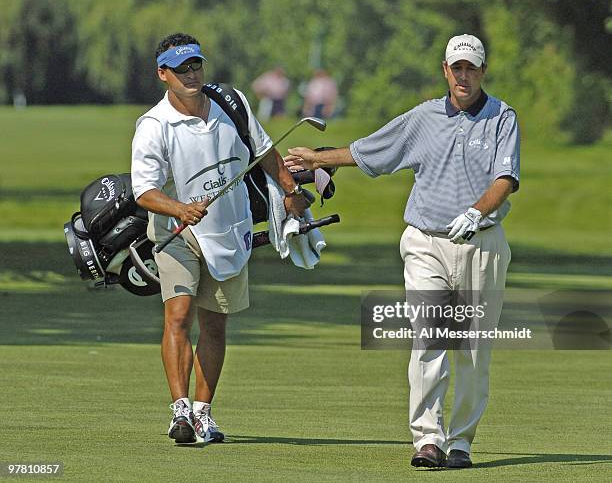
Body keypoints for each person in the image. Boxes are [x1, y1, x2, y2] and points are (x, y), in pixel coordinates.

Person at [285, 34, 519, 469]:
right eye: (457, 68)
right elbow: (373, 149)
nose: (463, 75)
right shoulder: (424, 116)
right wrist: (320, 160)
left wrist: (476, 211)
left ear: (482, 71)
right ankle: (428, 439)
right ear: (445, 71)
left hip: (481, 245)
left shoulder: (502, 117)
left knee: (471, 349)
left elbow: (505, 178)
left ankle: (462, 443)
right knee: (428, 337)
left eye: (472, 68)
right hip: (425, 243)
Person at [131, 33, 309, 444]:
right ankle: (179, 412)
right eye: (180, 69)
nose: (191, 75)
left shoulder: (232, 103)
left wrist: (289, 192)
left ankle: (203, 413)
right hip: (177, 232)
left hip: (230, 229)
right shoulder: (154, 125)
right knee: (178, 317)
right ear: (163, 74)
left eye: (195, 65)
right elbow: (145, 191)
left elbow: (265, 151)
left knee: (215, 325)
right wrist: (180, 209)